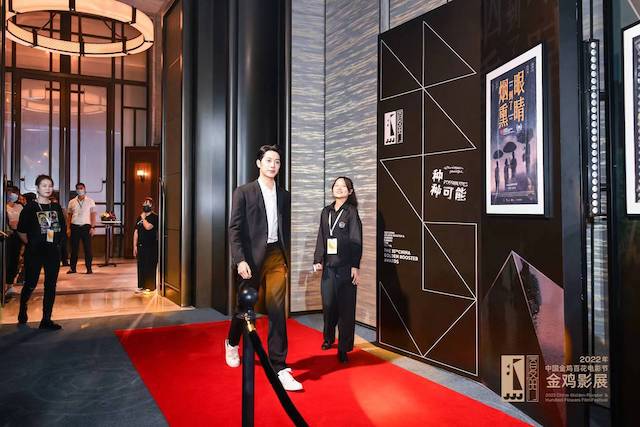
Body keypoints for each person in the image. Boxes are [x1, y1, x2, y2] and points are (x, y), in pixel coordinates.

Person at [224, 145, 302, 391]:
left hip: (276, 255)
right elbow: (234, 229)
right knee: (244, 307)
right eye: (268, 160)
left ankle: (279, 366)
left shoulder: (284, 195)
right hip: (250, 258)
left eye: (277, 161)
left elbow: (285, 228)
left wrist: (288, 257)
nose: (273, 165)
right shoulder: (243, 192)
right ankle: (232, 343)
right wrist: (240, 260)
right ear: (259, 163)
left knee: (277, 309)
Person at [313, 177, 363, 363]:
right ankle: (328, 338)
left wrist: (355, 265)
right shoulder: (326, 211)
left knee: (346, 309)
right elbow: (321, 236)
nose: (339, 188)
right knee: (328, 305)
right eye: (337, 185)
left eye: (344, 186)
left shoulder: (351, 212)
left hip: (346, 267)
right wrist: (318, 259)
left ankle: (343, 348)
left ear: (350, 192)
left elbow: (356, 240)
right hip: (328, 267)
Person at [16, 174, 66, 330]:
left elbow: (62, 228)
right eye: (44, 185)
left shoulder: (56, 207)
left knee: (51, 286)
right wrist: (32, 243)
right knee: (30, 283)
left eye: (50, 185)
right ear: (37, 188)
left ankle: (46, 319)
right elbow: (21, 231)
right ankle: (23, 307)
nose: (48, 188)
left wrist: (57, 243)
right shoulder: (30, 208)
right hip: (34, 252)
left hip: (52, 252)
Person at [66, 182, 96, 274]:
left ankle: (89, 268)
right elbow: (69, 216)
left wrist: (93, 227)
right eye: (78, 188)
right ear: (76, 190)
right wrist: (68, 228)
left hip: (86, 227)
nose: (80, 190)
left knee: (88, 249)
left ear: (84, 189)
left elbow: (93, 215)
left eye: (81, 188)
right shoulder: (72, 202)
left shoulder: (90, 201)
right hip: (74, 227)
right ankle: (72, 268)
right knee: (74, 249)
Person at [133, 197, 158, 293]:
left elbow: (148, 227)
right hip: (140, 245)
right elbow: (136, 232)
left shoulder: (154, 217)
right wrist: (134, 246)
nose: (145, 205)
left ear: (152, 206)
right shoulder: (139, 217)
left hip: (151, 246)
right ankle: (141, 286)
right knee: (141, 266)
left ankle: (150, 286)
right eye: (144, 203)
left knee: (149, 266)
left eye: (147, 203)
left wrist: (143, 218)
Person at [5, 186, 23, 296]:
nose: (13, 195)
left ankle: (10, 284)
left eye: (15, 193)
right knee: (6, 260)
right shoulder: (4, 206)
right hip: (7, 235)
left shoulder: (19, 206)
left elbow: (23, 220)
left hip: (18, 235)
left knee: (14, 259)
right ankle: (4, 284)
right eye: (11, 193)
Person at [50, 192, 69, 266]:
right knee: (51, 245)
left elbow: (65, 219)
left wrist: (66, 229)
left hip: (61, 230)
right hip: (50, 230)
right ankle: (53, 261)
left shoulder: (62, 210)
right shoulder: (48, 209)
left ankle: (64, 261)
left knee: (63, 246)